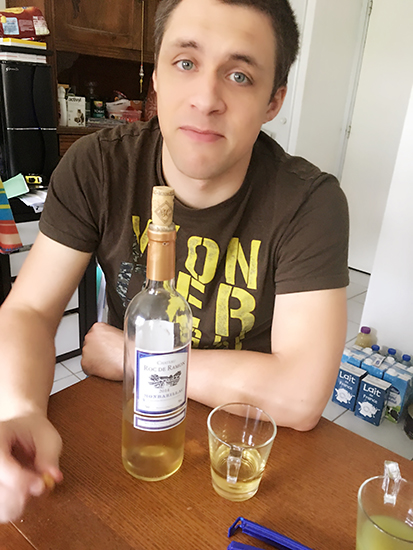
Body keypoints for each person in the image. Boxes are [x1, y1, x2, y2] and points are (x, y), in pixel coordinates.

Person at [0, 0, 349, 523]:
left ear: (273, 101)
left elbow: (299, 397)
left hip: (237, 447)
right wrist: (20, 410)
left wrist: (129, 356)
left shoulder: (310, 203)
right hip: (128, 432)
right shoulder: (99, 165)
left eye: (239, 75)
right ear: (157, 78)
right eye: (186, 63)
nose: (205, 99)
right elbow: (29, 310)